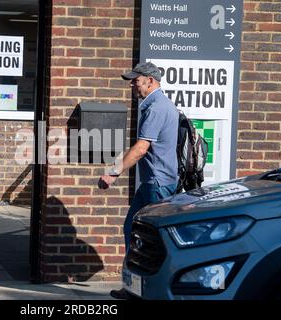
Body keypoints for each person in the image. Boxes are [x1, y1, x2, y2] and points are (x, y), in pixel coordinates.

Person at [98, 62, 179, 299]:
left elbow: (141, 148)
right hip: (152, 183)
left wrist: (113, 173)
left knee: (153, 238)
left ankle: (154, 288)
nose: (132, 84)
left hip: (158, 185)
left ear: (150, 81)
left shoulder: (156, 108)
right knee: (132, 230)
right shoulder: (155, 104)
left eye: (136, 79)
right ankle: (133, 286)